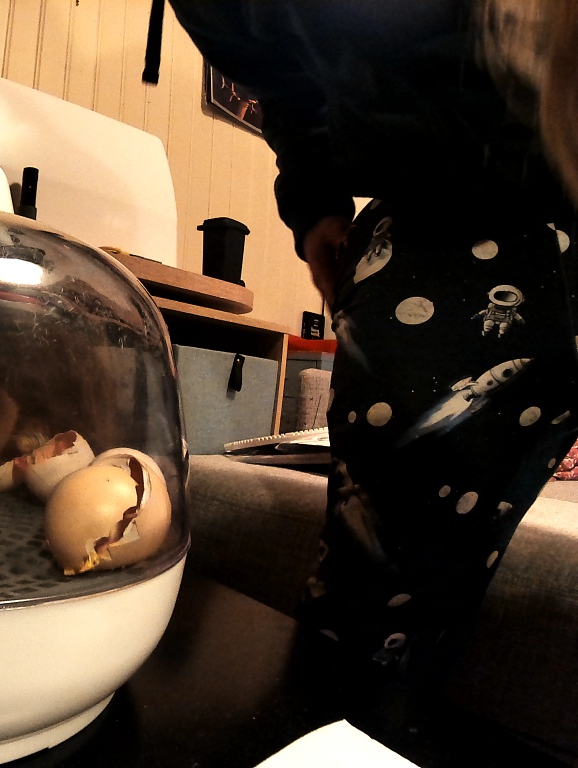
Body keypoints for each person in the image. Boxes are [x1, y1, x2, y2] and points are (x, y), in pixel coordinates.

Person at [163, 0, 578, 684]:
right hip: (449, 228)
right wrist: (313, 191)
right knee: (376, 624)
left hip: (462, 225)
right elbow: (272, 64)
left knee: (378, 615)